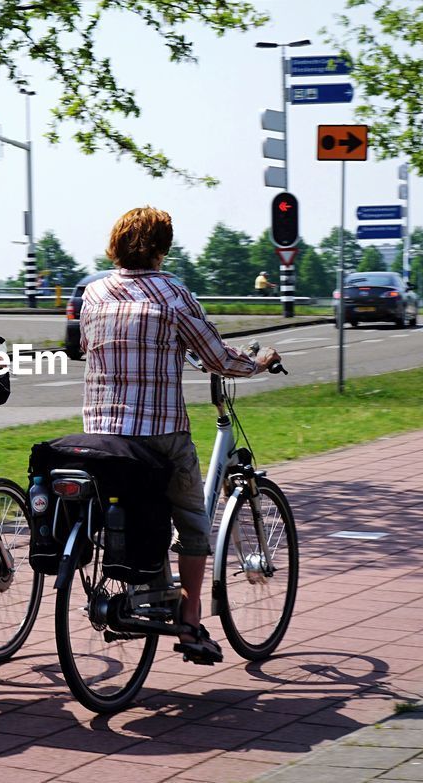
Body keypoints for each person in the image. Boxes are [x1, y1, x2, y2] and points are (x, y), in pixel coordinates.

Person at [79, 206, 281, 665]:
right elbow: (215, 356)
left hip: (101, 436)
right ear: (159, 249)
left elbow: (89, 347)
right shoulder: (172, 293)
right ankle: (190, 623)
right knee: (192, 521)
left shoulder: (93, 294)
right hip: (159, 433)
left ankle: (148, 587)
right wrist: (258, 362)